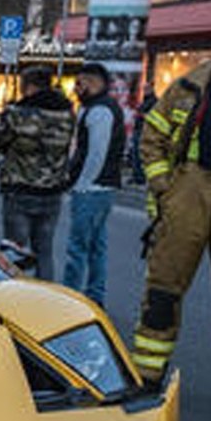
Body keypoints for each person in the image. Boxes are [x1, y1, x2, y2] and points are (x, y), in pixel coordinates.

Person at [128, 59, 211, 389]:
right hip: (189, 190)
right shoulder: (191, 85)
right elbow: (153, 134)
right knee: (163, 289)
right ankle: (148, 375)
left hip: (188, 191)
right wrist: (165, 186)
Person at [0, 66, 75, 281]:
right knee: (44, 251)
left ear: (29, 86)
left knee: (14, 251)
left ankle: (16, 297)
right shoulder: (66, 113)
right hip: (52, 190)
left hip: (20, 187)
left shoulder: (19, 113)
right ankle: (47, 296)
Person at [61, 62, 126, 307]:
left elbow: (96, 153)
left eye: (80, 83)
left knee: (77, 247)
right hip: (103, 187)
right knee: (97, 246)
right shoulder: (100, 107)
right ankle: (95, 296)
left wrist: (83, 184)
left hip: (93, 189)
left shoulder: (99, 111)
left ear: (95, 82)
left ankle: (70, 299)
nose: (77, 88)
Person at [129, 83, 158, 185]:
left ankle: (140, 177)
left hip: (143, 130)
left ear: (151, 89)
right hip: (138, 129)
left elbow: (152, 117)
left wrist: (140, 115)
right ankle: (136, 176)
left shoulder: (153, 101)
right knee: (135, 154)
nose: (144, 90)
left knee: (139, 154)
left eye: (146, 89)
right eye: (144, 88)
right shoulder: (146, 101)